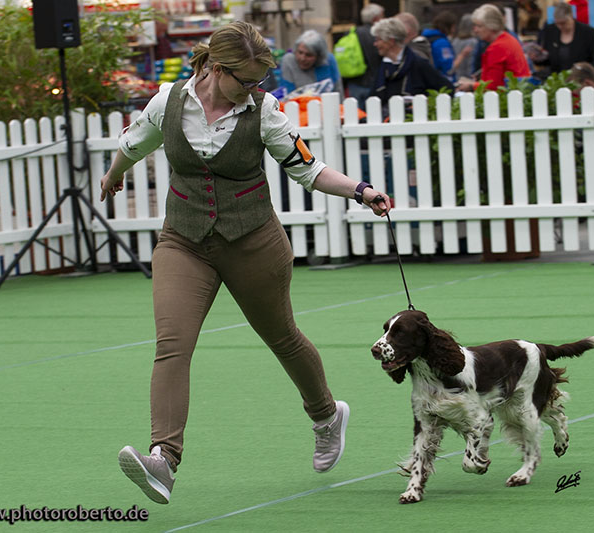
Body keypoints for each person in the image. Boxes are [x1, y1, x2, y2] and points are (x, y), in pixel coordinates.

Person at [100, 21, 391, 505]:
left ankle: (325, 415)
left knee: (281, 336)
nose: (256, 90)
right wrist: (114, 177)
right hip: (184, 241)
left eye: (261, 81)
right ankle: (164, 459)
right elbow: (134, 143)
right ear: (217, 69)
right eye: (247, 81)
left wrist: (360, 191)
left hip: (253, 241)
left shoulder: (265, 111)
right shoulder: (168, 101)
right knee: (172, 345)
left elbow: (308, 168)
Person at [369, 17, 455, 105]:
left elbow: (447, 88)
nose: (375, 44)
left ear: (391, 41)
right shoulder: (383, 66)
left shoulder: (418, 64)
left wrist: (427, 104)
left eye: (378, 40)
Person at [459, 4, 531, 91]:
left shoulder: (497, 48)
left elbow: (492, 86)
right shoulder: (509, 39)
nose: (475, 30)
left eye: (479, 26)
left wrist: (471, 86)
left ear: (491, 26)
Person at [532, 2, 594, 78]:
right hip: (556, 78)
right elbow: (548, 60)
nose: (560, 26)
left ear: (571, 16)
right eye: (557, 23)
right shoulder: (550, 31)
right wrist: (537, 58)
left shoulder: (588, 32)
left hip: (580, 78)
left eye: (563, 23)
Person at [344, 3, 385, 107]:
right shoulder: (378, 35)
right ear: (376, 19)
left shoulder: (351, 33)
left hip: (354, 83)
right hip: (373, 83)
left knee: (356, 117)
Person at [280, 29, 343, 94]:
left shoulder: (328, 60)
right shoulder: (288, 61)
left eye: (309, 55)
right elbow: (286, 93)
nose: (302, 58)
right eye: (300, 52)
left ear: (319, 56)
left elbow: (338, 90)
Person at [421, 10, 458, 82]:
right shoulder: (442, 43)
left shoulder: (426, 37)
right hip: (441, 82)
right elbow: (448, 68)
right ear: (450, 26)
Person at [451, 15, 478, 82]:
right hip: (468, 78)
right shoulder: (473, 42)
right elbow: (470, 62)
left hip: (456, 77)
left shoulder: (455, 41)